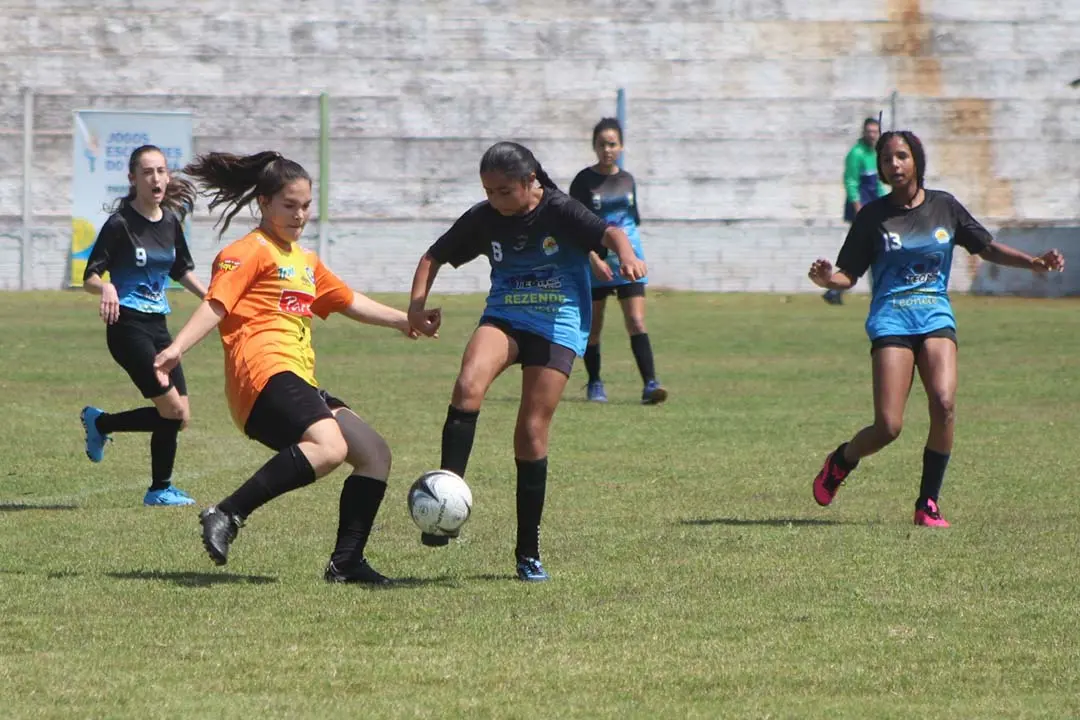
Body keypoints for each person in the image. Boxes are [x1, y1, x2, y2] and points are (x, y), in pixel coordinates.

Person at [153, 151, 435, 584]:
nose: (300, 215)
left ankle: (346, 564)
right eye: (290, 205)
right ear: (264, 203)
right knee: (329, 447)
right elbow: (216, 303)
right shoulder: (247, 251)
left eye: (305, 206)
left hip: (298, 378)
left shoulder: (304, 261)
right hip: (262, 373)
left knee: (374, 453)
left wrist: (405, 320)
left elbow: (348, 301)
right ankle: (227, 513)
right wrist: (177, 349)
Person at [407, 141, 646, 581]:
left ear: (529, 181)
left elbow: (609, 232)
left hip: (558, 323)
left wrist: (626, 253)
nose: (495, 200)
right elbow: (432, 256)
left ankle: (527, 551)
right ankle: (447, 501)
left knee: (531, 432)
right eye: (488, 191)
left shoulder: (559, 209)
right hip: (506, 315)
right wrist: (416, 307)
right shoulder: (485, 217)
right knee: (466, 387)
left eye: (503, 192)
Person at [808, 130, 1065, 527]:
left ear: (916, 161)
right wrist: (828, 280)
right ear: (879, 167)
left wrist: (1032, 263)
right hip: (892, 316)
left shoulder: (945, 206)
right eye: (887, 159)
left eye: (902, 157)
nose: (894, 165)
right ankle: (841, 461)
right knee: (888, 427)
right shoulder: (872, 217)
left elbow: (986, 246)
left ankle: (927, 503)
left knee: (944, 404)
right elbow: (849, 274)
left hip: (935, 316)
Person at [80, 144, 207, 507]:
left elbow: (180, 269)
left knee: (180, 417)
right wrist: (105, 287)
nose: (156, 178)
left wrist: (213, 300)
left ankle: (101, 424)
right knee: (172, 411)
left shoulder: (170, 222)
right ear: (133, 178)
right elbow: (90, 275)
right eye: (148, 172)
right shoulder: (120, 224)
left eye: (161, 171)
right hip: (126, 326)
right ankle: (159, 489)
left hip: (159, 326)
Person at [569, 118, 666, 405]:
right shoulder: (583, 181)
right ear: (594, 147)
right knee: (594, 326)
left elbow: (632, 220)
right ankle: (595, 382)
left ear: (621, 146)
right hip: (597, 262)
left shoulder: (627, 180)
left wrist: (633, 254)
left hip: (629, 262)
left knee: (636, 321)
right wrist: (593, 258)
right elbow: (574, 227)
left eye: (612, 144)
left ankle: (650, 384)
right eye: (602, 144)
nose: (607, 149)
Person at [825, 117, 889, 305]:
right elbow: (851, 181)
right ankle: (837, 289)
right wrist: (857, 207)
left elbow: (877, 184)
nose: (872, 135)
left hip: (874, 207)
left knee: (868, 250)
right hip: (861, 209)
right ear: (863, 132)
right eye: (868, 131)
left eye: (875, 131)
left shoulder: (877, 154)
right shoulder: (856, 153)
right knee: (867, 250)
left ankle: (835, 291)